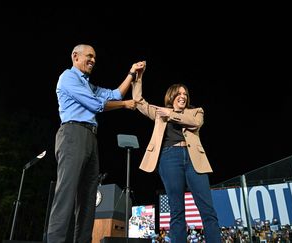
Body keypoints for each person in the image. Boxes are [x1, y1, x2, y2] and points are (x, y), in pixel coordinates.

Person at [47, 43, 146, 243]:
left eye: (95, 58)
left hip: (90, 137)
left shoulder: (88, 84)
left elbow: (114, 94)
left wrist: (131, 73)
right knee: (66, 193)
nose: (93, 60)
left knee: (89, 197)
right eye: (89, 56)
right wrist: (125, 105)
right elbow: (96, 104)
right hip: (72, 133)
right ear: (75, 56)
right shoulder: (68, 77)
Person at [132, 65, 221, 242]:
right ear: (171, 96)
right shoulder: (159, 113)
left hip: (194, 159)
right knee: (176, 210)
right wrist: (138, 78)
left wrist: (171, 114)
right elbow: (139, 102)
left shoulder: (196, 111)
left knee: (208, 210)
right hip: (169, 158)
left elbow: (195, 123)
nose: (183, 96)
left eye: (185, 94)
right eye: (179, 94)